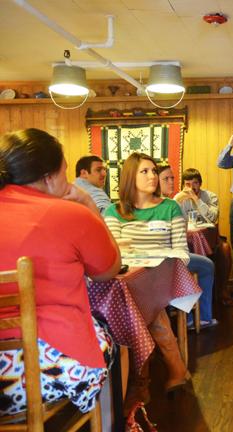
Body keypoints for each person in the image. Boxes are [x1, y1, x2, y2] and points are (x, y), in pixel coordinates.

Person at [0, 128, 121, 416]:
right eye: (65, 172)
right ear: (48, 177)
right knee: (111, 338)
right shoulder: (70, 214)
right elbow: (109, 269)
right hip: (38, 370)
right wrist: (88, 204)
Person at [104, 153, 192, 408]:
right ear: (130, 176)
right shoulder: (115, 211)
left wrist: (154, 262)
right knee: (134, 293)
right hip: (130, 278)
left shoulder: (169, 207)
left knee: (137, 292)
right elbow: (113, 253)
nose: (153, 176)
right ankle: (174, 368)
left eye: (154, 171)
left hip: (163, 275)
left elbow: (181, 252)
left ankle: (139, 381)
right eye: (145, 171)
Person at [158, 164, 217, 328]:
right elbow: (179, 233)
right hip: (167, 257)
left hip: (174, 252)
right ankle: (195, 316)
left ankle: (197, 315)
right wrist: (177, 201)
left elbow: (212, 217)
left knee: (206, 261)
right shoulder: (173, 201)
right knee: (204, 265)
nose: (171, 182)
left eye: (172, 178)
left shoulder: (208, 196)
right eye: (166, 179)